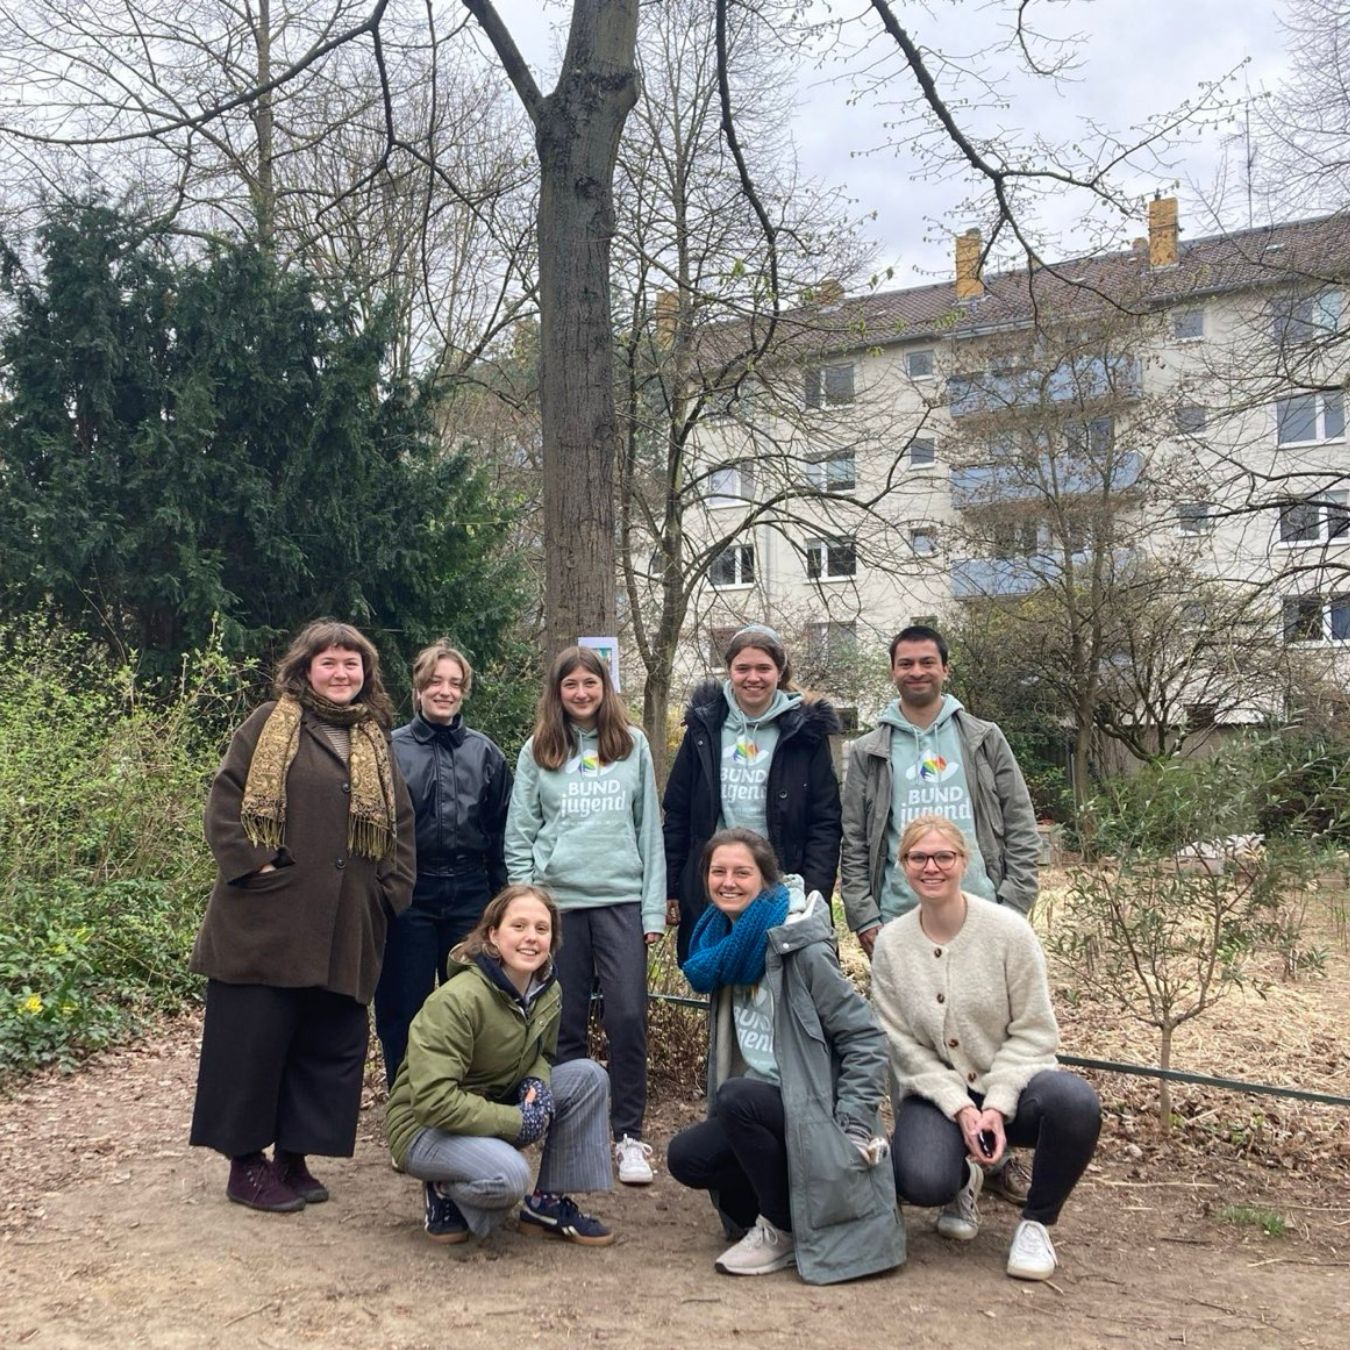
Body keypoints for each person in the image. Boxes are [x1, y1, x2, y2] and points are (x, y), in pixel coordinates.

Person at [190, 619, 415, 1212]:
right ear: (305, 669)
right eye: (329, 663)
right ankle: (246, 1165)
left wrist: (390, 893)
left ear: (366, 674)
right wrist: (256, 866)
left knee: (326, 1044)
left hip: (348, 925)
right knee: (253, 1043)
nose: (342, 674)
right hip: (267, 921)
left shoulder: (374, 738)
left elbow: (402, 828)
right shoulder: (269, 723)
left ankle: (294, 1157)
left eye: (352, 665)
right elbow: (226, 800)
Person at [840, 622, 1040, 1203]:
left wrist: (1012, 908)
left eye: (928, 662)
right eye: (906, 663)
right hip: (901, 928)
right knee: (912, 1047)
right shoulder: (870, 749)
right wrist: (864, 916)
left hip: (981, 920)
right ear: (893, 671)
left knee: (988, 1040)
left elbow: (1020, 825)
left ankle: (995, 1159)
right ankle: (946, 1166)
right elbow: (856, 841)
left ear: (945, 669)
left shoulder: (982, 738)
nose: (917, 672)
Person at [667, 828, 905, 1284]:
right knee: (687, 1157)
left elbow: (865, 1036)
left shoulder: (801, 948)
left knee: (738, 1098)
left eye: (742, 872)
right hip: (764, 1111)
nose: (729, 882)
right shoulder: (722, 950)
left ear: (766, 880)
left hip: (817, 1108)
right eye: (718, 872)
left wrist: (854, 1123)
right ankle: (788, 1209)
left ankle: (781, 1229)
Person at [870, 814, 1100, 1282]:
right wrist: (960, 1108)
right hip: (941, 1093)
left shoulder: (1007, 932)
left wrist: (994, 1106)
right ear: (903, 865)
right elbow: (901, 1044)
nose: (931, 867)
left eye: (943, 857)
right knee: (920, 1180)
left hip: (1015, 1087)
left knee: (1076, 1105)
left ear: (963, 861)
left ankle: (1036, 1223)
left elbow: (1035, 1031)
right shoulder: (892, 944)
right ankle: (962, 1181)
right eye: (918, 857)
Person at [504, 646, 665, 1186]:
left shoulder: (632, 745)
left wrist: (651, 910)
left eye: (589, 683)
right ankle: (570, 1129)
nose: (580, 693)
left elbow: (649, 830)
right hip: (558, 907)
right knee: (562, 1024)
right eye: (569, 684)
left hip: (619, 899)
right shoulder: (539, 749)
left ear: (604, 688)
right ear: (557, 691)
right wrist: (526, 907)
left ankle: (628, 1136)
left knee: (625, 1016)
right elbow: (520, 831)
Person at [385, 884, 616, 1246]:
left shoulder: (547, 990)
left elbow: (543, 1055)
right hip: (423, 1127)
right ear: (493, 935)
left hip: (492, 1104)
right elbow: (432, 1100)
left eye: (542, 929)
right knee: (509, 1177)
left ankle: (546, 1203)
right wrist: (517, 1121)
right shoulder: (457, 1000)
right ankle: (444, 1187)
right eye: (518, 926)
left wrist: (537, 1084)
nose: (531, 938)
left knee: (589, 1077)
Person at [375, 640, 512, 1087]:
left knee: (473, 1002)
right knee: (403, 1005)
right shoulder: (389, 749)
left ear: (465, 691)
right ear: (418, 688)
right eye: (435, 682)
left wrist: (500, 901)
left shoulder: (486, 753)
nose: (445, 691)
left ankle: (464, 1099)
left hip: (471, 894)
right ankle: (407, 1104)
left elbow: (499, 832)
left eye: (455, 683)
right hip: (410, 892)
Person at [663, 624, 842, 964]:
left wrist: (814, 891)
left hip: (783, 885)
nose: (753, 677)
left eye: (763, 668)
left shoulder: (806, 734)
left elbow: (825, 821)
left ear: (780, 671)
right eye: (742, 668)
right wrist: (672, 886)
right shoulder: (704, 729)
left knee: (783, 986)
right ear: (729, 671)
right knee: (721, 982)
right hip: (718, 885)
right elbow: (678, 814)